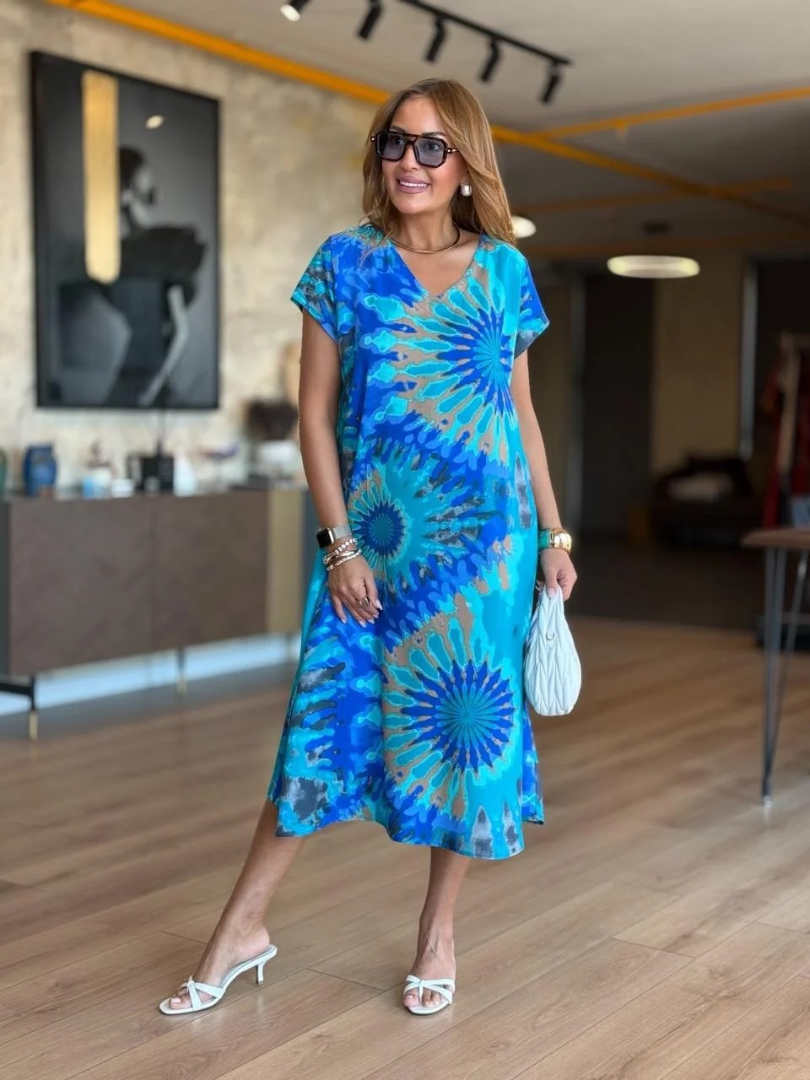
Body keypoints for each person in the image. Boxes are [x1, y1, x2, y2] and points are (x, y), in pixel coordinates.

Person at [159, 77, 577, 1019]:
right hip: (373, 547)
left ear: (465, 163)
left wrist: (552, 532)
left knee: (463, 733)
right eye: (396, 141)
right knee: (322, 726)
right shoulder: (343, 264)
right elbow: (313, 418)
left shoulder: (505, 272)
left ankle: (437, 933)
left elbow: (521, 416)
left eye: (432, 146)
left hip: (486, 552)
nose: (409, 162)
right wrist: (339, 544)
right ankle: (239, 930)